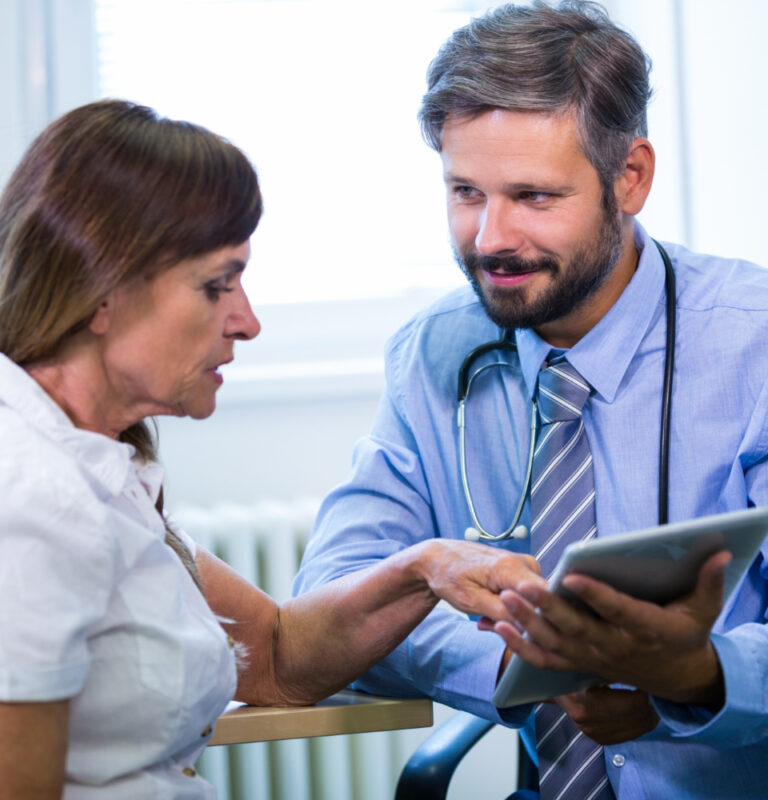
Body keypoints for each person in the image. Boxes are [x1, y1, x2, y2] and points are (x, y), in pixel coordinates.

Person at [0, 99, 540, 799]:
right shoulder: (32, 499)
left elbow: (279, 657)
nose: (246, 321)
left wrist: (423, 568)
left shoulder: (98, 465)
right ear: (99, 293)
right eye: (216, 285)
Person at [294, 2, 768, 799]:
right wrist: (520, 661)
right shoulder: (433, 352)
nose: (489, 238)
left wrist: (696, 676)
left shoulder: (753, 347)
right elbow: (336, 596)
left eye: (533, 197)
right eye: (466, 191)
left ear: (631, 177)